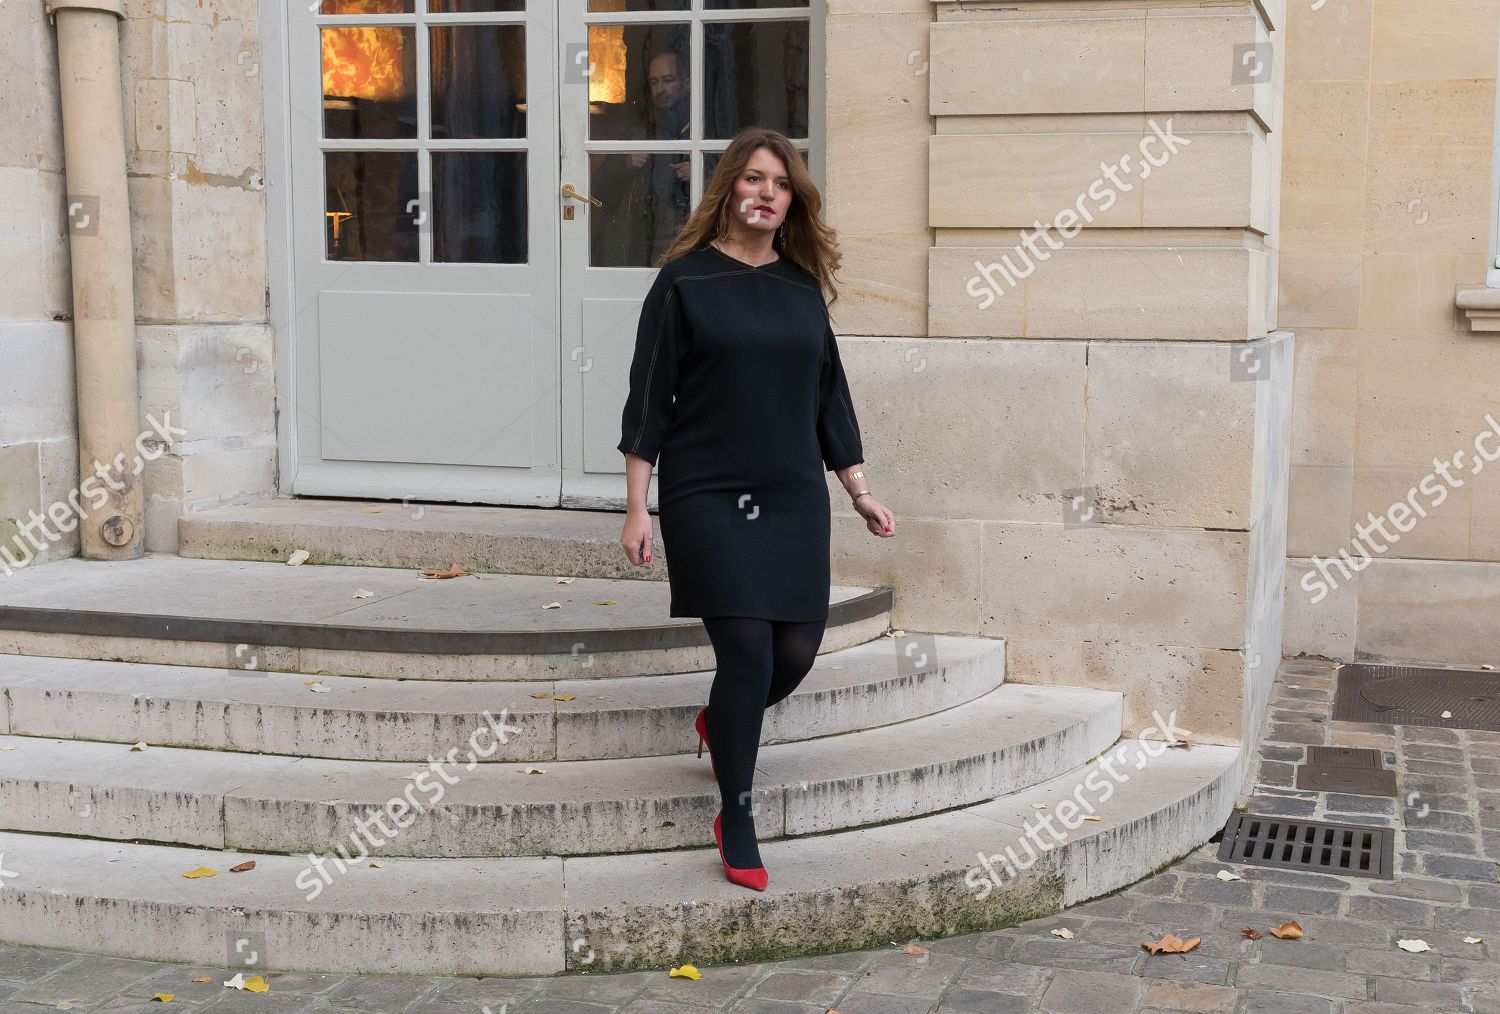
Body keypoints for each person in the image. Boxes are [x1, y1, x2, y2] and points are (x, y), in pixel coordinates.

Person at [616, 127, 896, 892]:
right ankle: (736, 813)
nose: (767, 193)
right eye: (754, 179)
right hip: (707, 492)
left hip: (791, 494)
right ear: (729, 191)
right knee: (745, 650)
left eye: (781, 183)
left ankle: (721, 723)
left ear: (791, 200)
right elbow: (649, 399)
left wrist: (859, 489)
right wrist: (638, 506)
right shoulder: (683, 282)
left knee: (794, 653)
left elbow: (828, 395)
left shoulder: (802, 287)